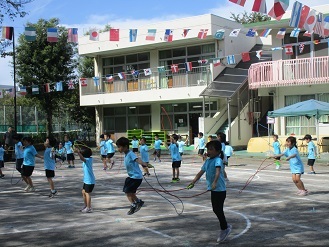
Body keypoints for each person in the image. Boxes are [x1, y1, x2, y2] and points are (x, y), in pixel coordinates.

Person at [187, 140, 232, 243]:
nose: (209, 151)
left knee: (218, 209)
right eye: (208, 149)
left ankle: (224, 229)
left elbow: (217, 172)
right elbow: (200, 173)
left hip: (220, 190)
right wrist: (193, 182)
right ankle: (225, 226)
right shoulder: (207, 161)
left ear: (218, 151)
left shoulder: (218, 160)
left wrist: (215, 182)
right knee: (215, 209)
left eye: (211, 149)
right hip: (213, 190)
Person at [116, 137, 152, 215]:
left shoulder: (130, 153)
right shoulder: (126, 154)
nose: (118, 149)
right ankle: (138, 202)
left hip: (136, 177)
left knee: (128, 191)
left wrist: (145, 164)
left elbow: (137, 159)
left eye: (119, 147)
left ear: (125, 146)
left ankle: (134, 204)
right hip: (132, 177)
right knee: (130, 192)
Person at [75, 145, 95, 213]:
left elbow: (82, 158)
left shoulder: (88, 160)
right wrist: (79, 152)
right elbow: (82, 158)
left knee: (87, 193)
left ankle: (89, 208)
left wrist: (78, 153)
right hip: (87, 180)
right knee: (83, 192)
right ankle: (86, 206)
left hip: (90, 180)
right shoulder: (88, 159)